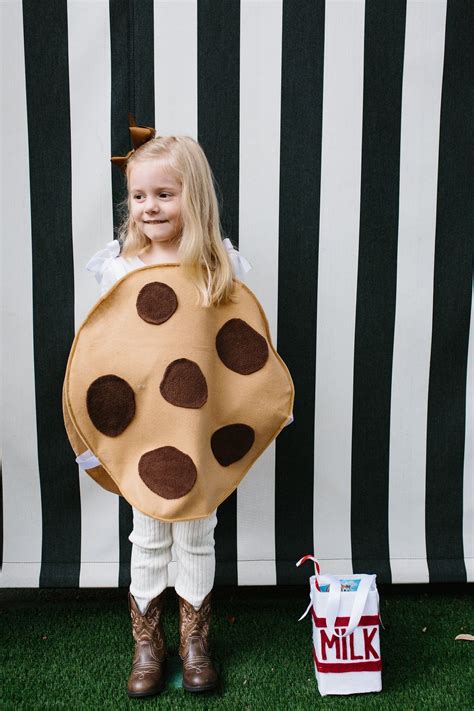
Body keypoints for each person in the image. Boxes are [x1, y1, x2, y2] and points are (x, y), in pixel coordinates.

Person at [81, 115, 293, 699]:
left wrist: (264, 401)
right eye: (139, 196)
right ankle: (148, 644)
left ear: (192, 198)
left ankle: (195, 639)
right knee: (148, 533)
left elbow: (240, 349)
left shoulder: (217, 267)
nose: (149, 207)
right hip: (146, 433)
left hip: (196, 430)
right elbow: (103, 353)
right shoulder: (120, 269)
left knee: (198, 531)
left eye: (164, 194)